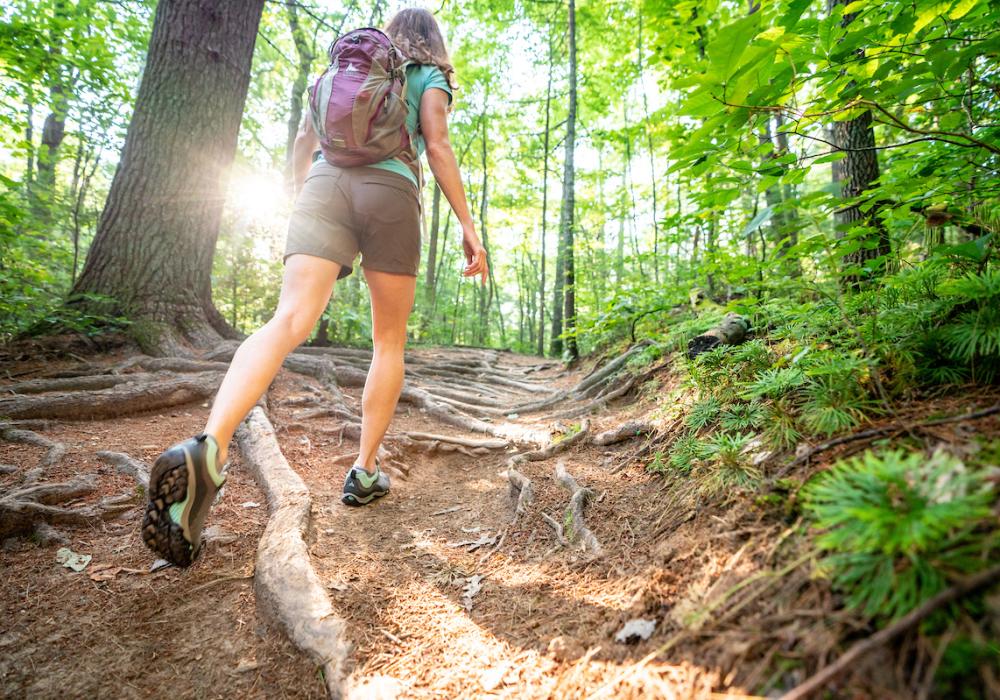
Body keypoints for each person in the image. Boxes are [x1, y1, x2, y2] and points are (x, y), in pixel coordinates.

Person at [141, 8, 488, 567]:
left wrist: (306, 196)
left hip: (323, 186)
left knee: (287, 321)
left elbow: (305, 141)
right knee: (388, 342)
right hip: (392, 191)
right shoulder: (427, 76)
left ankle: (209, 445)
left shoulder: (336, 77)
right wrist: (470, 228)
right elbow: (439, 146)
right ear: (434, 41)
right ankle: (365, 471)